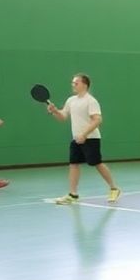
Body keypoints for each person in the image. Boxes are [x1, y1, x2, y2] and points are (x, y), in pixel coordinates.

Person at [45, 73, 121, 205]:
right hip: (76, 138)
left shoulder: (90, 101)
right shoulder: (71, 100)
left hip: (91, 138)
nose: (73, 85)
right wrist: (55, 111)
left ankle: (114, 188)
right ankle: (73, 194)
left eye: (76, 83)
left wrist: (84, 134)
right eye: (72, 83)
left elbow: (97, 120)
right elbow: (63, 117)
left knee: (96, 163)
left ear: (84, 85)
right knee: (73, 164)